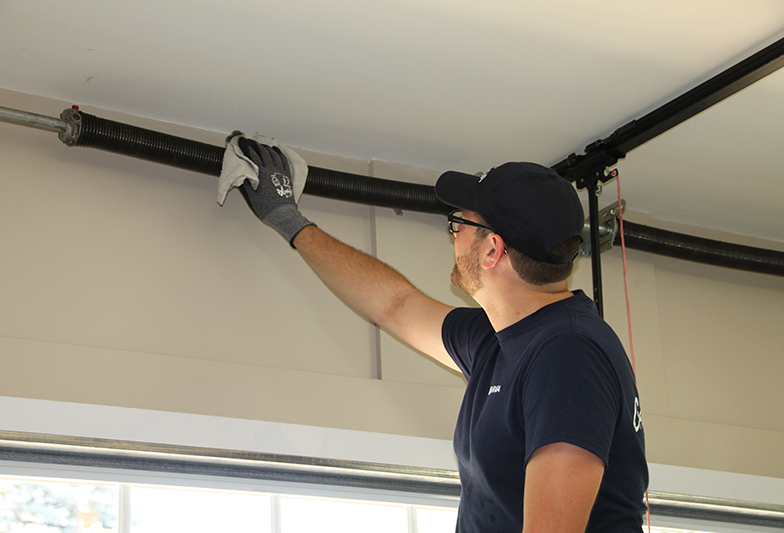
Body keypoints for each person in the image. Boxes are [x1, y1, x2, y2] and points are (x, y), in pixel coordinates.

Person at [221, 137, 649, 533]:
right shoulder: (501, 342)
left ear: (492, 250)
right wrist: (288, 219)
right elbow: (394, 305)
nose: (454, 234)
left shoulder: (567, 355)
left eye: (457, 223)